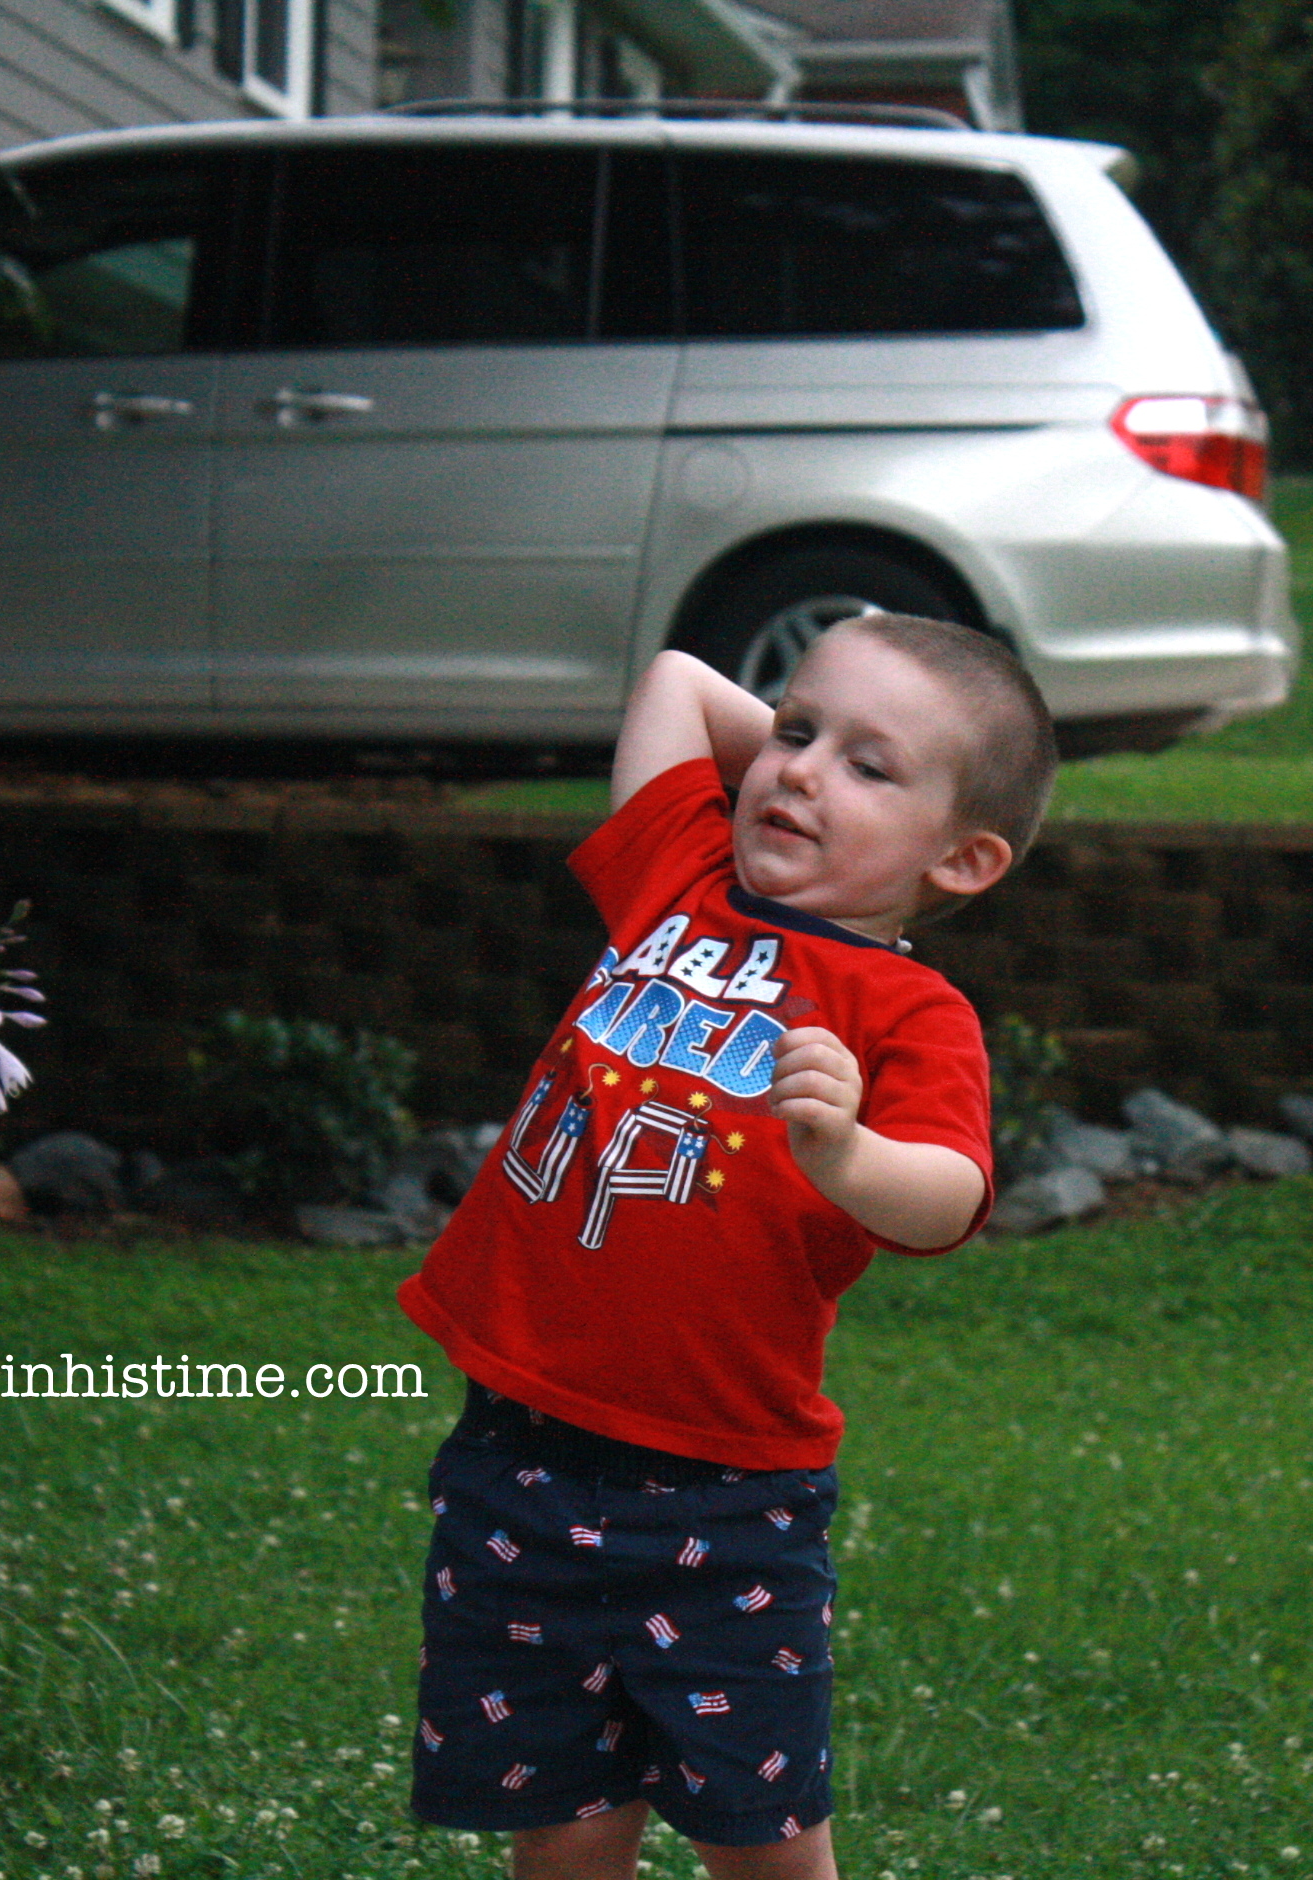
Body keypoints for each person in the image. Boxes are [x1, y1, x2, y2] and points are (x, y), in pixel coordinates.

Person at [395, 615, 1056, 1880]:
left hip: (723, 1491)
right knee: (563, 1820)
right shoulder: (678, 879)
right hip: (517, 1453)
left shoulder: (910, 1009)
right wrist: (837, 767)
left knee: (755, 1835)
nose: (797, 771)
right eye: (797, 732)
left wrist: (849, 1156)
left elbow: (951, 1191)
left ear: (966, 860)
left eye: (869, 767)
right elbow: (678, 685)